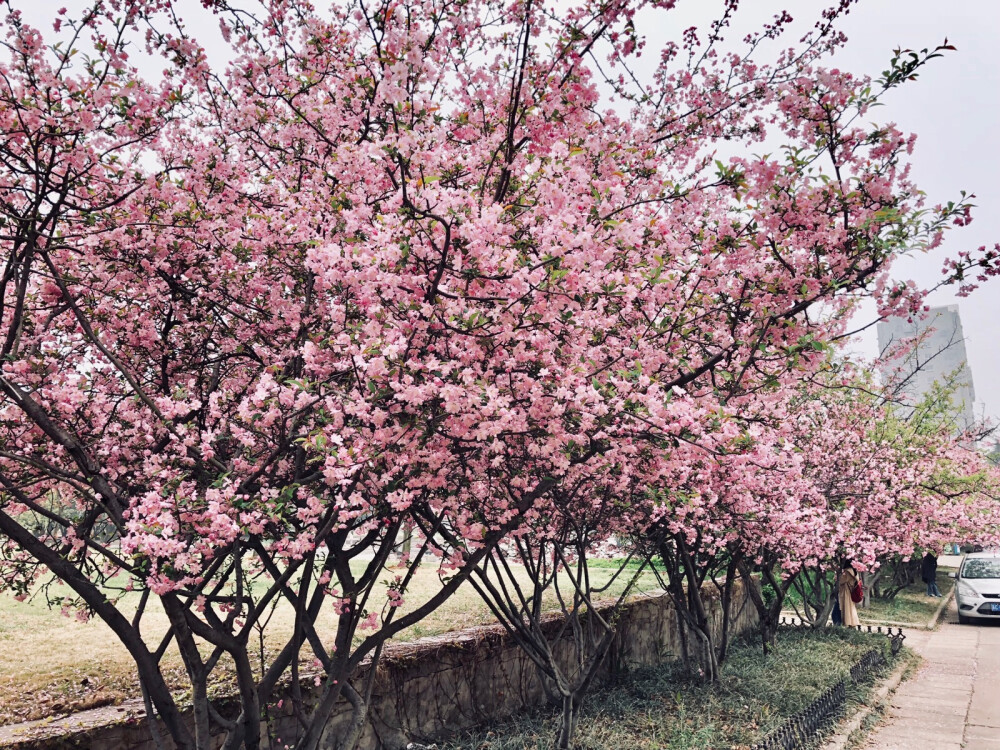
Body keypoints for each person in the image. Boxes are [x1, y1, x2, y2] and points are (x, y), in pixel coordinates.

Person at [837, 561, 861, 627]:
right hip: (851, 590)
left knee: (847, 607)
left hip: (846, 591)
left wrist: (836, 576)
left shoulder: (847, 571)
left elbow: (841, 581)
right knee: (851, 607)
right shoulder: (854, 571)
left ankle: (848, 622)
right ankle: (852, 623)